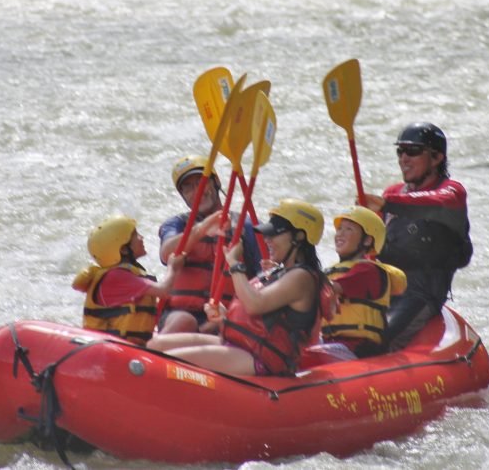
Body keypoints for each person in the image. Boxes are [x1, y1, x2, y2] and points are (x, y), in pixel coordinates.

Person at [147, 199, 331, 376]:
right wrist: (224, 316)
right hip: (241, 344)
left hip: (260, 358)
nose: (267, 239)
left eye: (275, 233)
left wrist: (234, 264)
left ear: (299, 237)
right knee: (155, 347)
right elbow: (261, 317)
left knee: (164, 363)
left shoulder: (302, 277)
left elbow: (255, 304)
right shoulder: (280, 273)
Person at [364, 122, 473, 350]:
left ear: (436, 158)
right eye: (400, 151)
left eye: (412, 151)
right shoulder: (392, 193)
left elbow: (434, 203)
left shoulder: (452, 193)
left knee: (374, 341)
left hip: (420, 295)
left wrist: (388, 204)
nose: (404, 158)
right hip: (384, 290)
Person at [156, 155, 262, 333]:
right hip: (179, 314)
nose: (196, 191)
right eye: (188, 187)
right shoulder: (177, 224)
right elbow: (167, 254)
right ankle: (157, 353)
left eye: (201, 182)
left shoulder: (247, 225)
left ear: (216, 182)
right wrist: (202, 228)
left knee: (218, 325)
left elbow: (263, 276)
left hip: (226, 315)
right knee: (184, 321)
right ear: (182, 195)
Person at [72, 215, 184, 345]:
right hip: (114, 347)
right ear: (124, 250)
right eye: (136, 235)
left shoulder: (122, 274)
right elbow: (163, 291)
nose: (141, 238)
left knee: (182, 322)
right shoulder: (117, 276)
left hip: (127, 344)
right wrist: (173, 267)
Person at [321, 206, 407, 357]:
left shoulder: (368, 271)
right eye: (339, 229)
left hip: (359, 348)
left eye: (348, 229)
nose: (340, 234)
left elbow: (326, 289)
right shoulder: (330, 272)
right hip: (332, 342)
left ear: (367, 240)